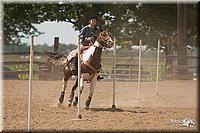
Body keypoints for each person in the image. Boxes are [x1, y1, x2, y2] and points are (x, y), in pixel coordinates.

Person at [70, 15, 104, 80]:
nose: (93, 22)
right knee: (77, 52)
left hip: (92, 45)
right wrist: (86, 38)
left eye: (95, 21)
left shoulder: (97, 30)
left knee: (98, 55)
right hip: (84, 44)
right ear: (90, 21)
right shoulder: (85, 28)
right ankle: (74, 68)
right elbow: (80, 36)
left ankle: (98, 72)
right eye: (92, 21)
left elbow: (99, 38)